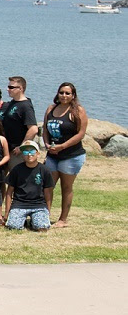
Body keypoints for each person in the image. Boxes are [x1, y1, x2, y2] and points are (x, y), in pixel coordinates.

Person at [43, 82, 88, 228]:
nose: (64, 95)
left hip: (71, 155)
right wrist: (47, 144)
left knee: (66, 187)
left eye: (67, 93)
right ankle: (44, 215)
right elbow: (44, 130)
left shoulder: (77, 111)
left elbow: (81, 133)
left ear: (73, 95)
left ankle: (63, 219)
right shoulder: (51, 109)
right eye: (61, 92)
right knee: (47, 186)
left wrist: (63, 146)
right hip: (52, 155)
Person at [3, 140, 55, 231]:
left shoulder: (44, 170)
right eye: (26, 152)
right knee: (13, 226)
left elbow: (48, 193)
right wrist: (7, 212)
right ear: (22, 155)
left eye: (32, 151)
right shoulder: (16, 170)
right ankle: (23, 221)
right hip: (19, 204)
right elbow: (9, 192)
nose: (29, 155)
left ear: (38, 153)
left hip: (39, 205)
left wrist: (48, 210)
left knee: (42, 227)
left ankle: (33, 221)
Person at [0, 76, 38, 170]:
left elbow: (33, 129)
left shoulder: (26, 106)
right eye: (8, 87)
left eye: (11, 87)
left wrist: (21, 147)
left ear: (20, 88)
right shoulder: (13, 102)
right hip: (6, 148)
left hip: (16, 152)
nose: (8, 89)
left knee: (16, 179)